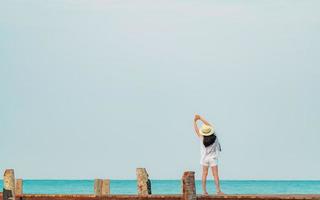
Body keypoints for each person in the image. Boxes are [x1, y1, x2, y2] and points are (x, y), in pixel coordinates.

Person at [193, 114, 224, 195]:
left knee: (204, 174)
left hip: (204, 158)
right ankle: (218, 191)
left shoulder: (202, 138)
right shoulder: (215, 137)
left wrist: (195, 122)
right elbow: (210, 125)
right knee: (215, 175)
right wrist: (200, 118)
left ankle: (204, 191)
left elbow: (196, 130)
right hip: (213, 158)